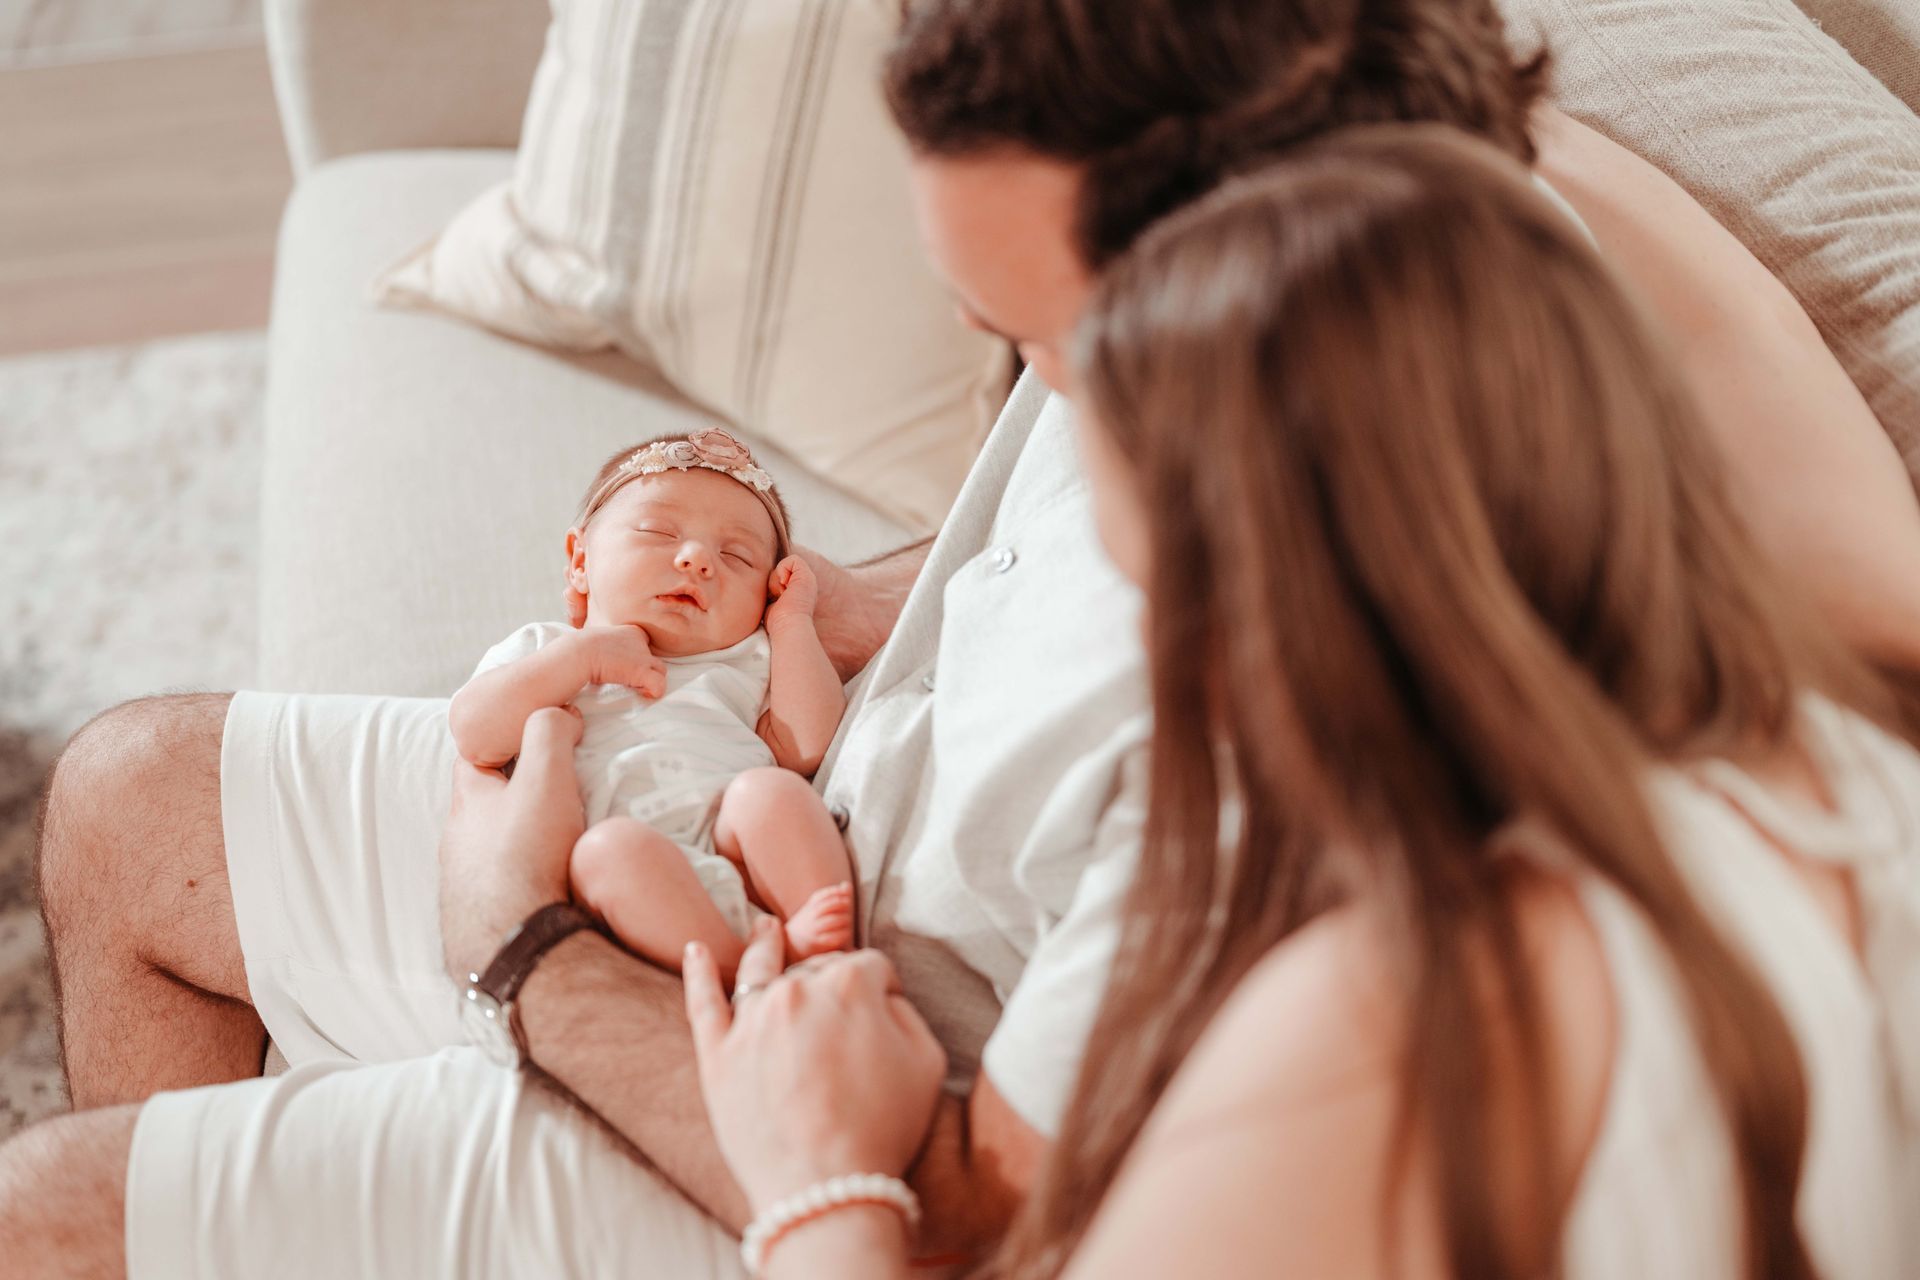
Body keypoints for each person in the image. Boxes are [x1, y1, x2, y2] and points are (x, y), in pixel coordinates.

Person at [8, 0, 1920, 1273]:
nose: (1059, 427)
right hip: (817, 808)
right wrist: (863, 607)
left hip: (879, 1088)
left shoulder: (1313, 846)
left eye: (1080, 359)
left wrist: (525, 953)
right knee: (128, 800)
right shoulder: (1433, 197)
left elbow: (972, 1214)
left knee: (57, 1219)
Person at [681, 125, 1920, 1280]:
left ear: (1226, 624)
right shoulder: (1852, 742)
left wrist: (821, 1187)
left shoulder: (1376, 1015)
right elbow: (1736, 324)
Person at [452, 429, 857, 975]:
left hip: (736, 855)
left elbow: (805, 747)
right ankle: (742, 969)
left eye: (737, 556)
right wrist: (582, 661)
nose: (696, 559)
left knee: (770, 793)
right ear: (580, 560)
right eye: (657, 532)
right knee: (608, 851)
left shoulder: (747, 659)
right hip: (627, 885)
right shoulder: (546, 651)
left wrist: (792, 624)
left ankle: (824, 942)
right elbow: (475, 734)